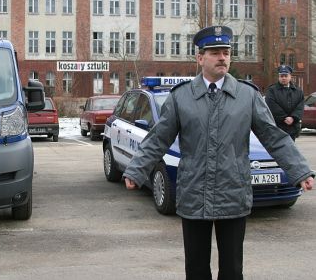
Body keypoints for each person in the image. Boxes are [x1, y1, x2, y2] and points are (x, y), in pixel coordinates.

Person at [123, 25, 314, 280]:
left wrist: (299, 170)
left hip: (232, 192)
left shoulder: (247, 96)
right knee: (197, 269)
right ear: (200, 58)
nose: (222, 57)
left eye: (225, 51)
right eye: (214, 52)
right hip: (194, 194)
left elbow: (273, 137)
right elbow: (159, 138)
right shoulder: (181, 97)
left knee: (233, 270)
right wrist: (137, 169)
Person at [265, 65, 305, 141]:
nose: (283, 78)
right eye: (281, 76)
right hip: (277, 127)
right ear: (279, 77)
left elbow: (300, 106)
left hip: (292, 128)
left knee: (290, 151)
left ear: (290, 77)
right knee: (277, 151)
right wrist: (284, 118)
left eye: (286, 76)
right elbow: (271, 105)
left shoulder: (298, 91)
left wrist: (293, 117)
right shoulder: (272, 90)